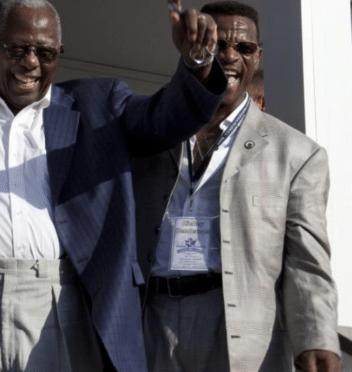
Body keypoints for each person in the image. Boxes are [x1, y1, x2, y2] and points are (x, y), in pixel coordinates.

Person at [0, 0, 227, 370]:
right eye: (17, 48)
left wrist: (196, 67)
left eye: (45, 51)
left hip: (58, 296)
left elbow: (164, 121)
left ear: (60, 53)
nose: (30, 62)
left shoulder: (97, 107)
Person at [132, 1, 341, 371]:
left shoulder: (296, 154)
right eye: (217, 44)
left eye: (244, 48)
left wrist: (316, 337)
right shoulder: (152, 129)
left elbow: (306, 263)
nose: (229, 56)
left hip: (240, 331)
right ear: (196, 46)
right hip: (152, 320)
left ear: (257, 57)